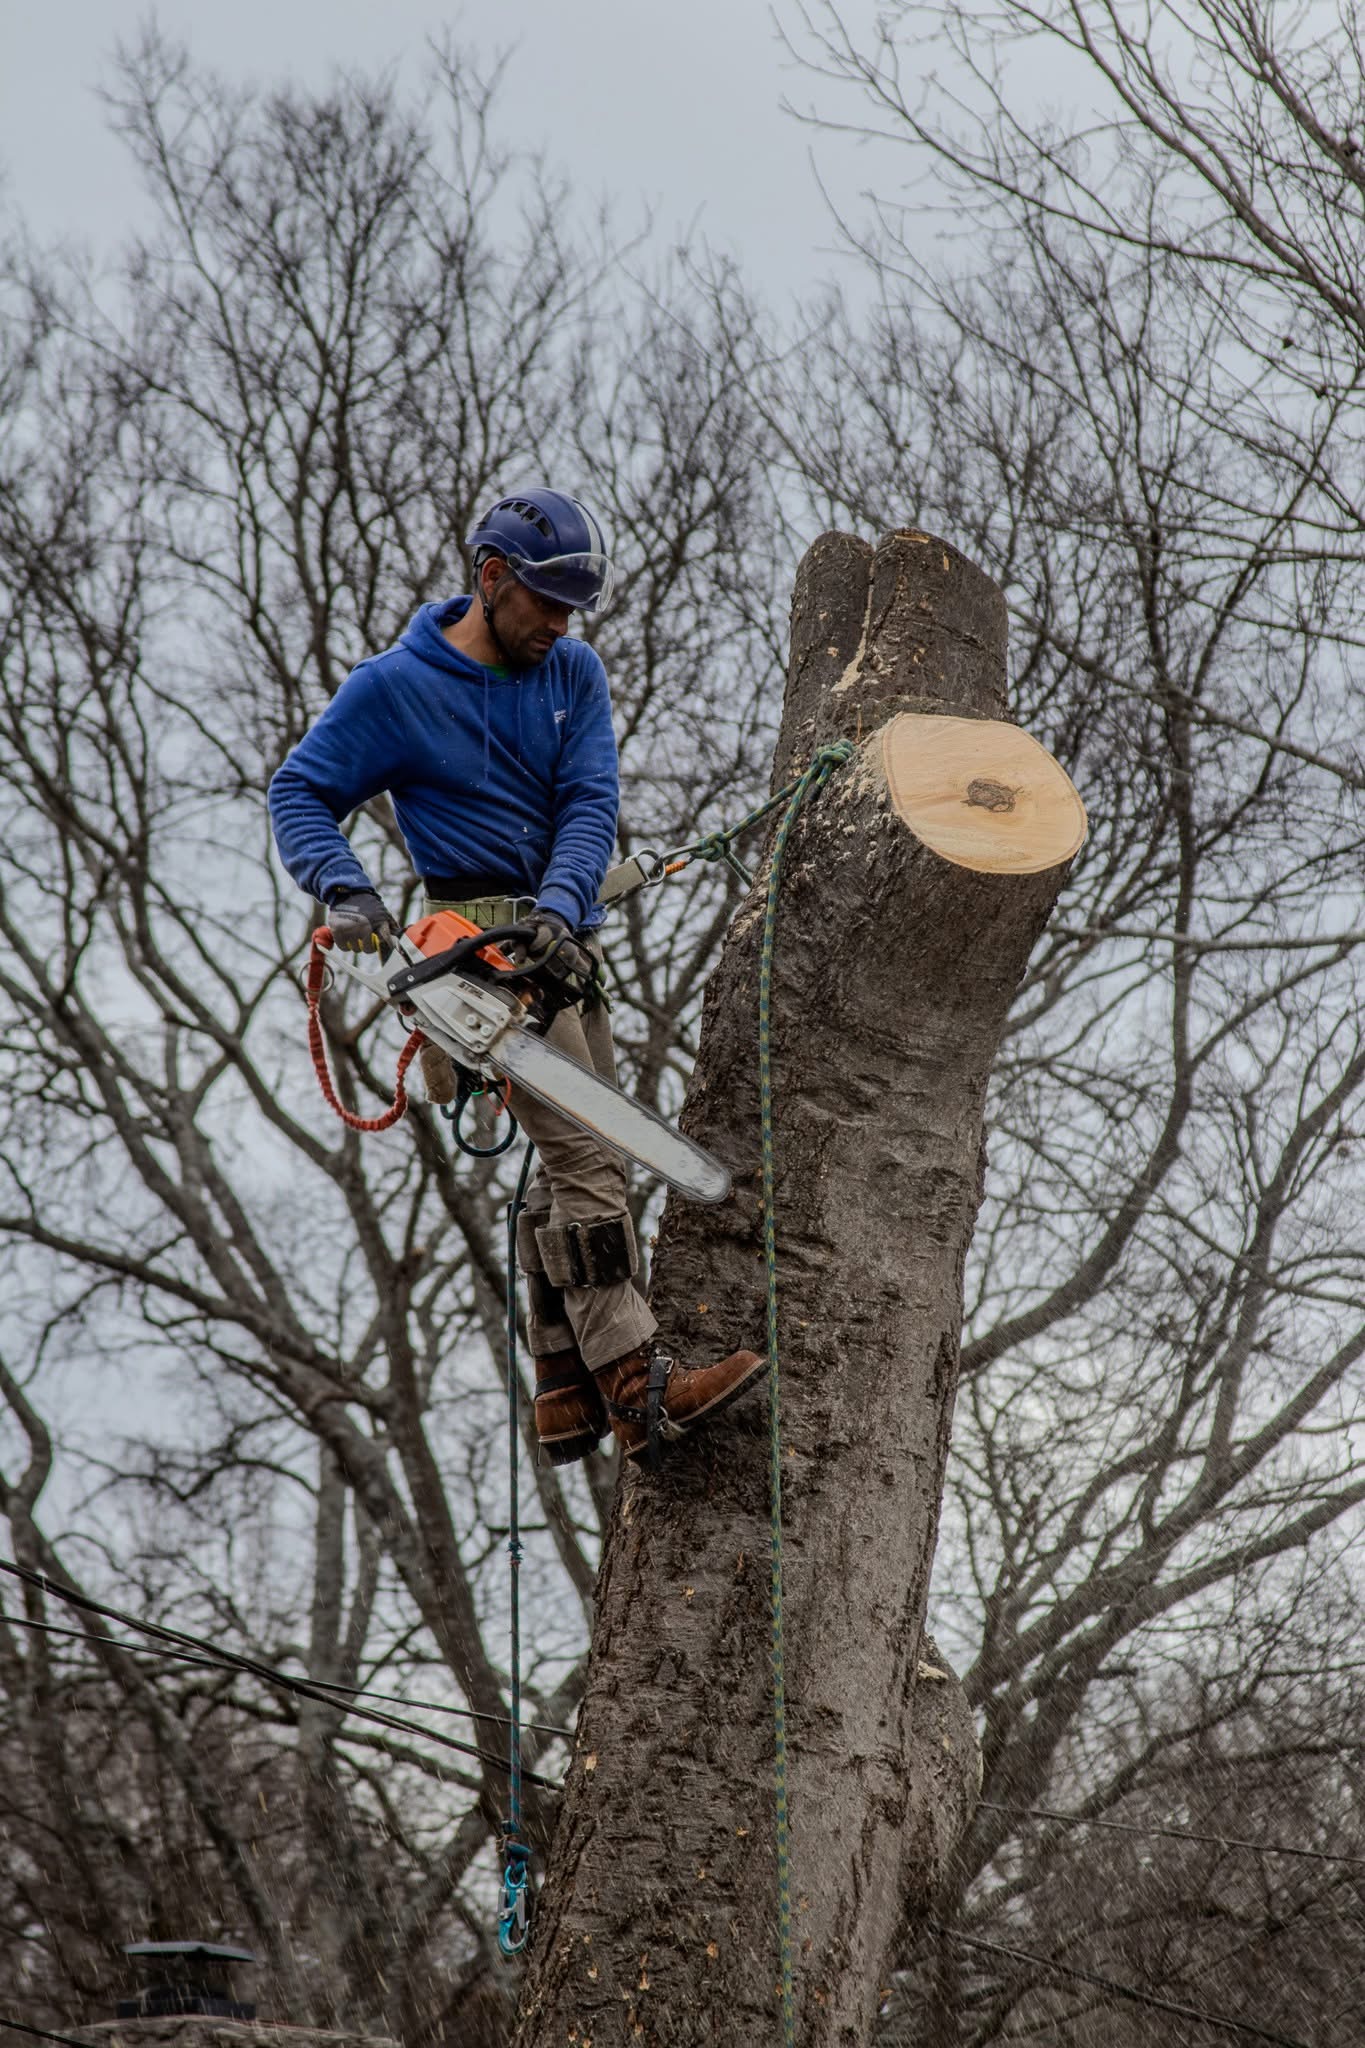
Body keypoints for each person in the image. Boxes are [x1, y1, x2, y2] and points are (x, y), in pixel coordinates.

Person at [268, 488, 763, 1467]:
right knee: (585, 1155)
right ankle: (637, 1381)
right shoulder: (396, 688)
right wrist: (344, 886)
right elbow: (299, 789)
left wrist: (563, 901)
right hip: (467, 951)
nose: (558, 625)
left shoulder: (572, 672)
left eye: (572, 607)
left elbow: (590, 800)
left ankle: (562, 1387)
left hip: (559, 938)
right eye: (544, 601)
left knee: (577, 1156)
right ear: (491, 578)